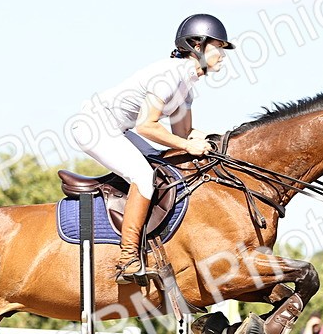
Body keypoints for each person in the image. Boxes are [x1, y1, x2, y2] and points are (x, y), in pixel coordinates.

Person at [74, 14, 234, 283]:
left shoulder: (187, 87)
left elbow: (183, 132)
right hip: (94, 126)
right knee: (144, 177)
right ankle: (127, 259)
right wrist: (186, 145)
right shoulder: (169, 76)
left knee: (165, 166)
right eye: (218, 46)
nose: (223, 54)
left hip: (117, 129)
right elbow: (147, 126)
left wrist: (224, 142)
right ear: (197, 44)